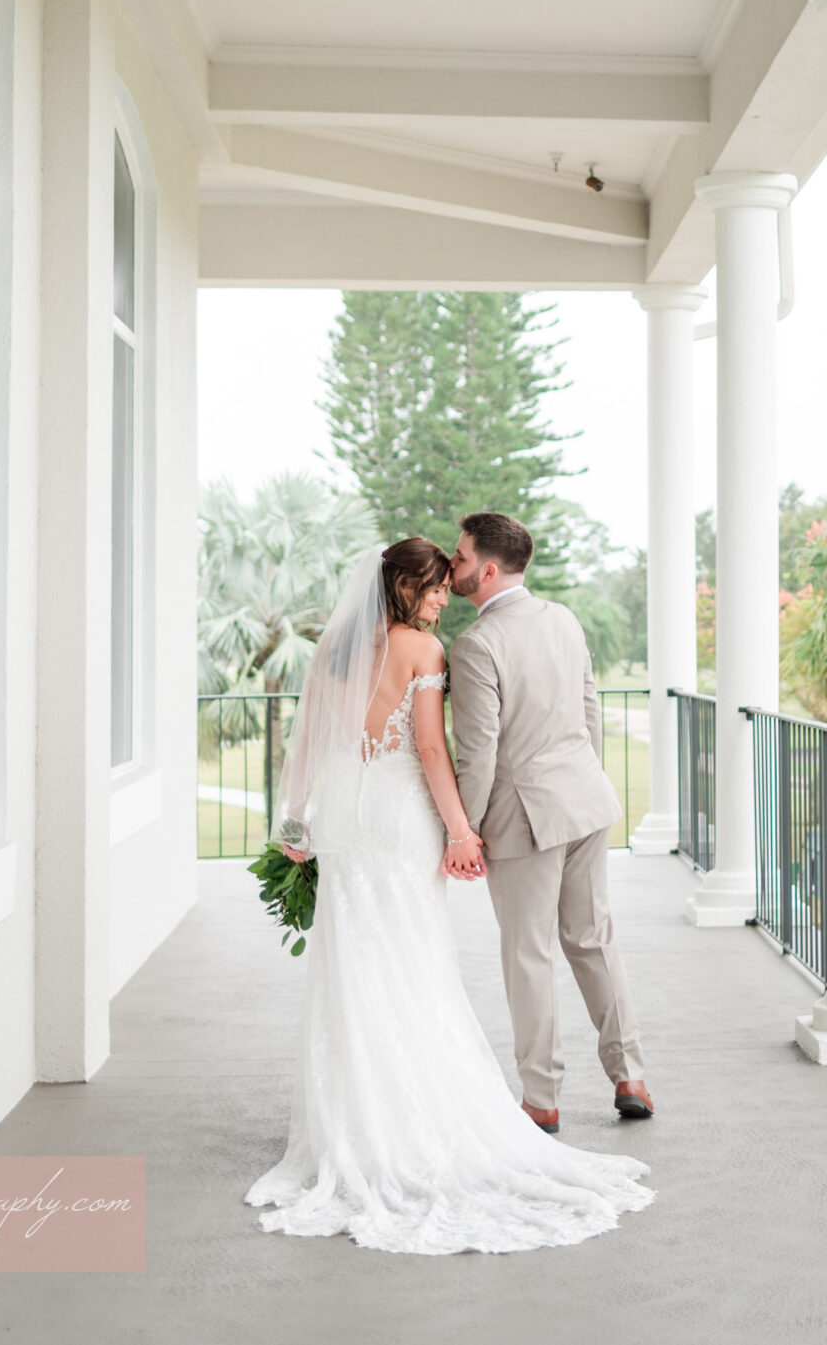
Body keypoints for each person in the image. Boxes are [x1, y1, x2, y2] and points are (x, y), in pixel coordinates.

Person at [245, 536, 651, 1254]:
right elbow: (433, 750)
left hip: (345, 821)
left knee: (354, 965)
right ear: (402, 587)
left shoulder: (332, 653)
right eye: (431, 586)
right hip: (405, 822)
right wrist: (462, 830)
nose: (442, 596)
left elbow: (306, 743)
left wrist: (295, 821)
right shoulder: (431, 651)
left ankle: (357, 1120)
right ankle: (606, 1077)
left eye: (448, 579)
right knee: (420, 960)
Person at [446, 511, 654, 1134]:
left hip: (523, 819)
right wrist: (581, 778)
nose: (452, 567)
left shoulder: (477, 644)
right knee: (593, 939)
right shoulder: (563, 618)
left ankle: (541, 1098)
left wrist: (465, 830)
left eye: (458, 558)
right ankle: (631, 1076)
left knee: (529, 954)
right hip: (586, 801)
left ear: (486, 569)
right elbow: (589, 711)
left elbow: (476, 753)